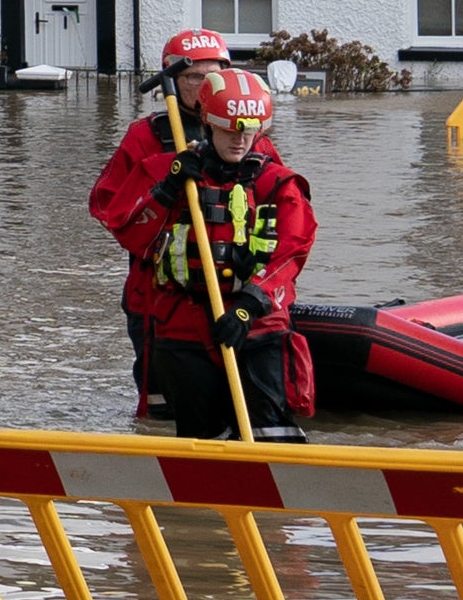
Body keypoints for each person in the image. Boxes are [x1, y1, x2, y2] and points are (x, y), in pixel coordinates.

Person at [122, 72, 318, 441]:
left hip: (256, 325)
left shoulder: (278, 184)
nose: (240, 141)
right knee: (201, 441)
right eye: (230, 131)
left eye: (248, 132)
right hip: (183, 325)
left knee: (273, 435)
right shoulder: (168, 174)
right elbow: (131, 234)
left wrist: (248, 305)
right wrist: (166, 190)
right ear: (208, 122)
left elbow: (292, 253)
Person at [90, 28, 251, 412]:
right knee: (161, 405)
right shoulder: (145, 138)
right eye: (193, 77)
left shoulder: (246, 135)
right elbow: (108, 208)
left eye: (213, 76)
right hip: (158, 296)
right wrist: (166, 183)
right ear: (173, 82)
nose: (204, 86)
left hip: (229, 292)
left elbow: (276, 205)